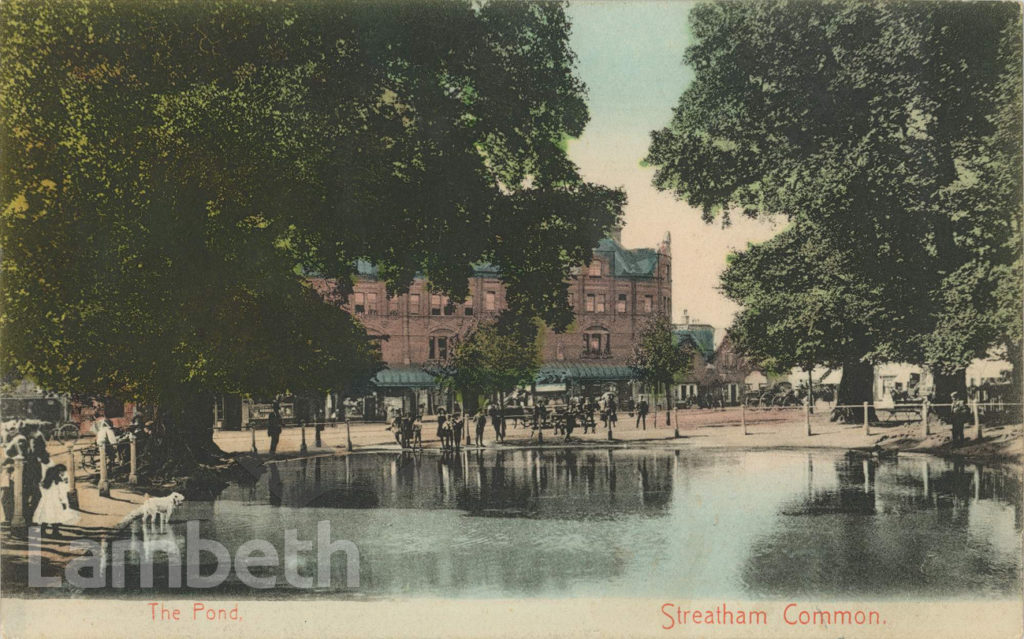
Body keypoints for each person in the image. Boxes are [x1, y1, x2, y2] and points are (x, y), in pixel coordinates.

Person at [5, 421, 50, 522]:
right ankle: (28, 518)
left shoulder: (24, 438)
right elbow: (37, 452)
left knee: (27, 495)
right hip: (29, 472)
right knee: (34, 495)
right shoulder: (29, 438)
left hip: (26, 471)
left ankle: (26, 518)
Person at [34, 463, 79, 537]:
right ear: (58, 471)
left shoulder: (47, 482)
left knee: (46, 516)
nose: (63, 473)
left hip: (46, 501)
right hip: (55, 501)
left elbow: (43, 490)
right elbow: (61, 492)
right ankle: (55, 532)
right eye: (62, 472)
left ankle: (43, 531)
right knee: (56, 516)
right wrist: (63, 501)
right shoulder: (57, 481)